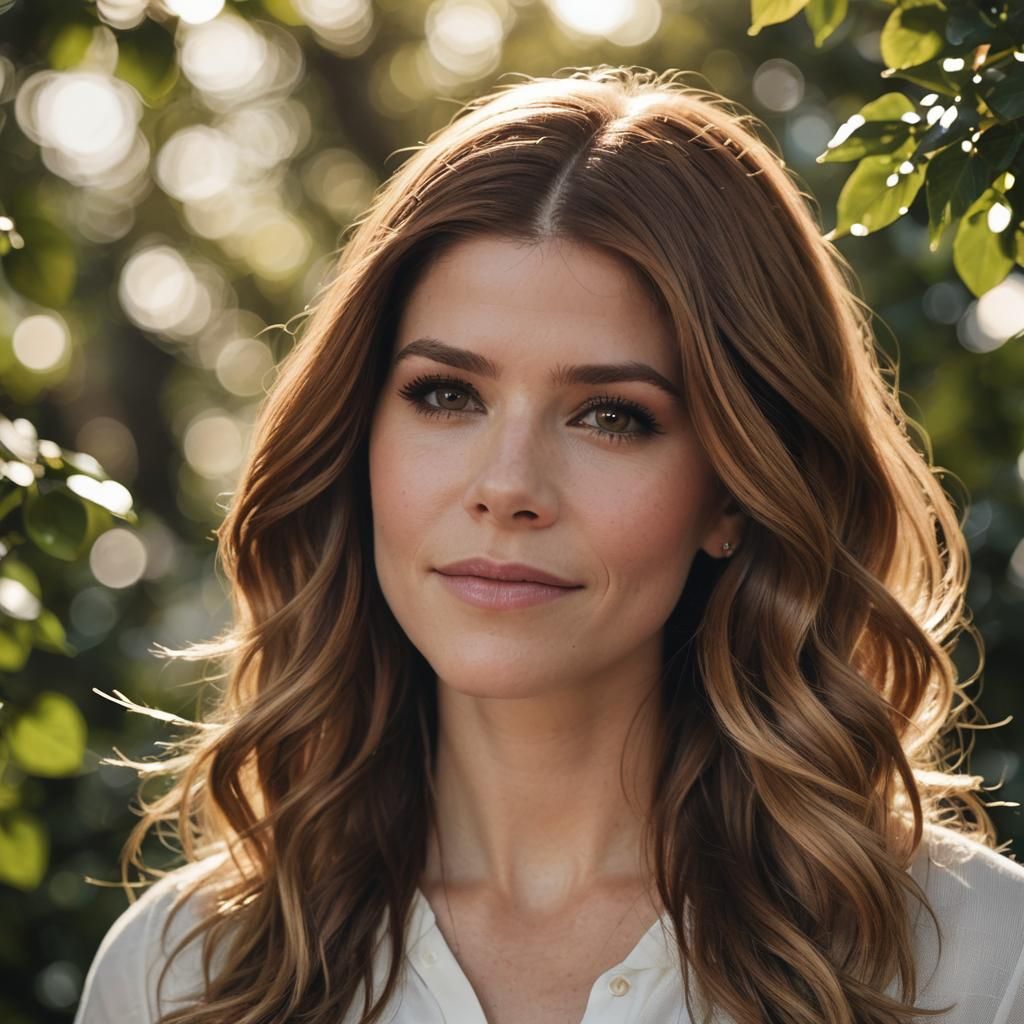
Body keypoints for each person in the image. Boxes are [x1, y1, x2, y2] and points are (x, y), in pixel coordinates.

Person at [74, 65, 1024, 1024]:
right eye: (447, 395)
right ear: (358, 436)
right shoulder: (179, 974)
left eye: (611, 416)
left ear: (735, 492)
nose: (508, 488)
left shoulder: (981, 959)